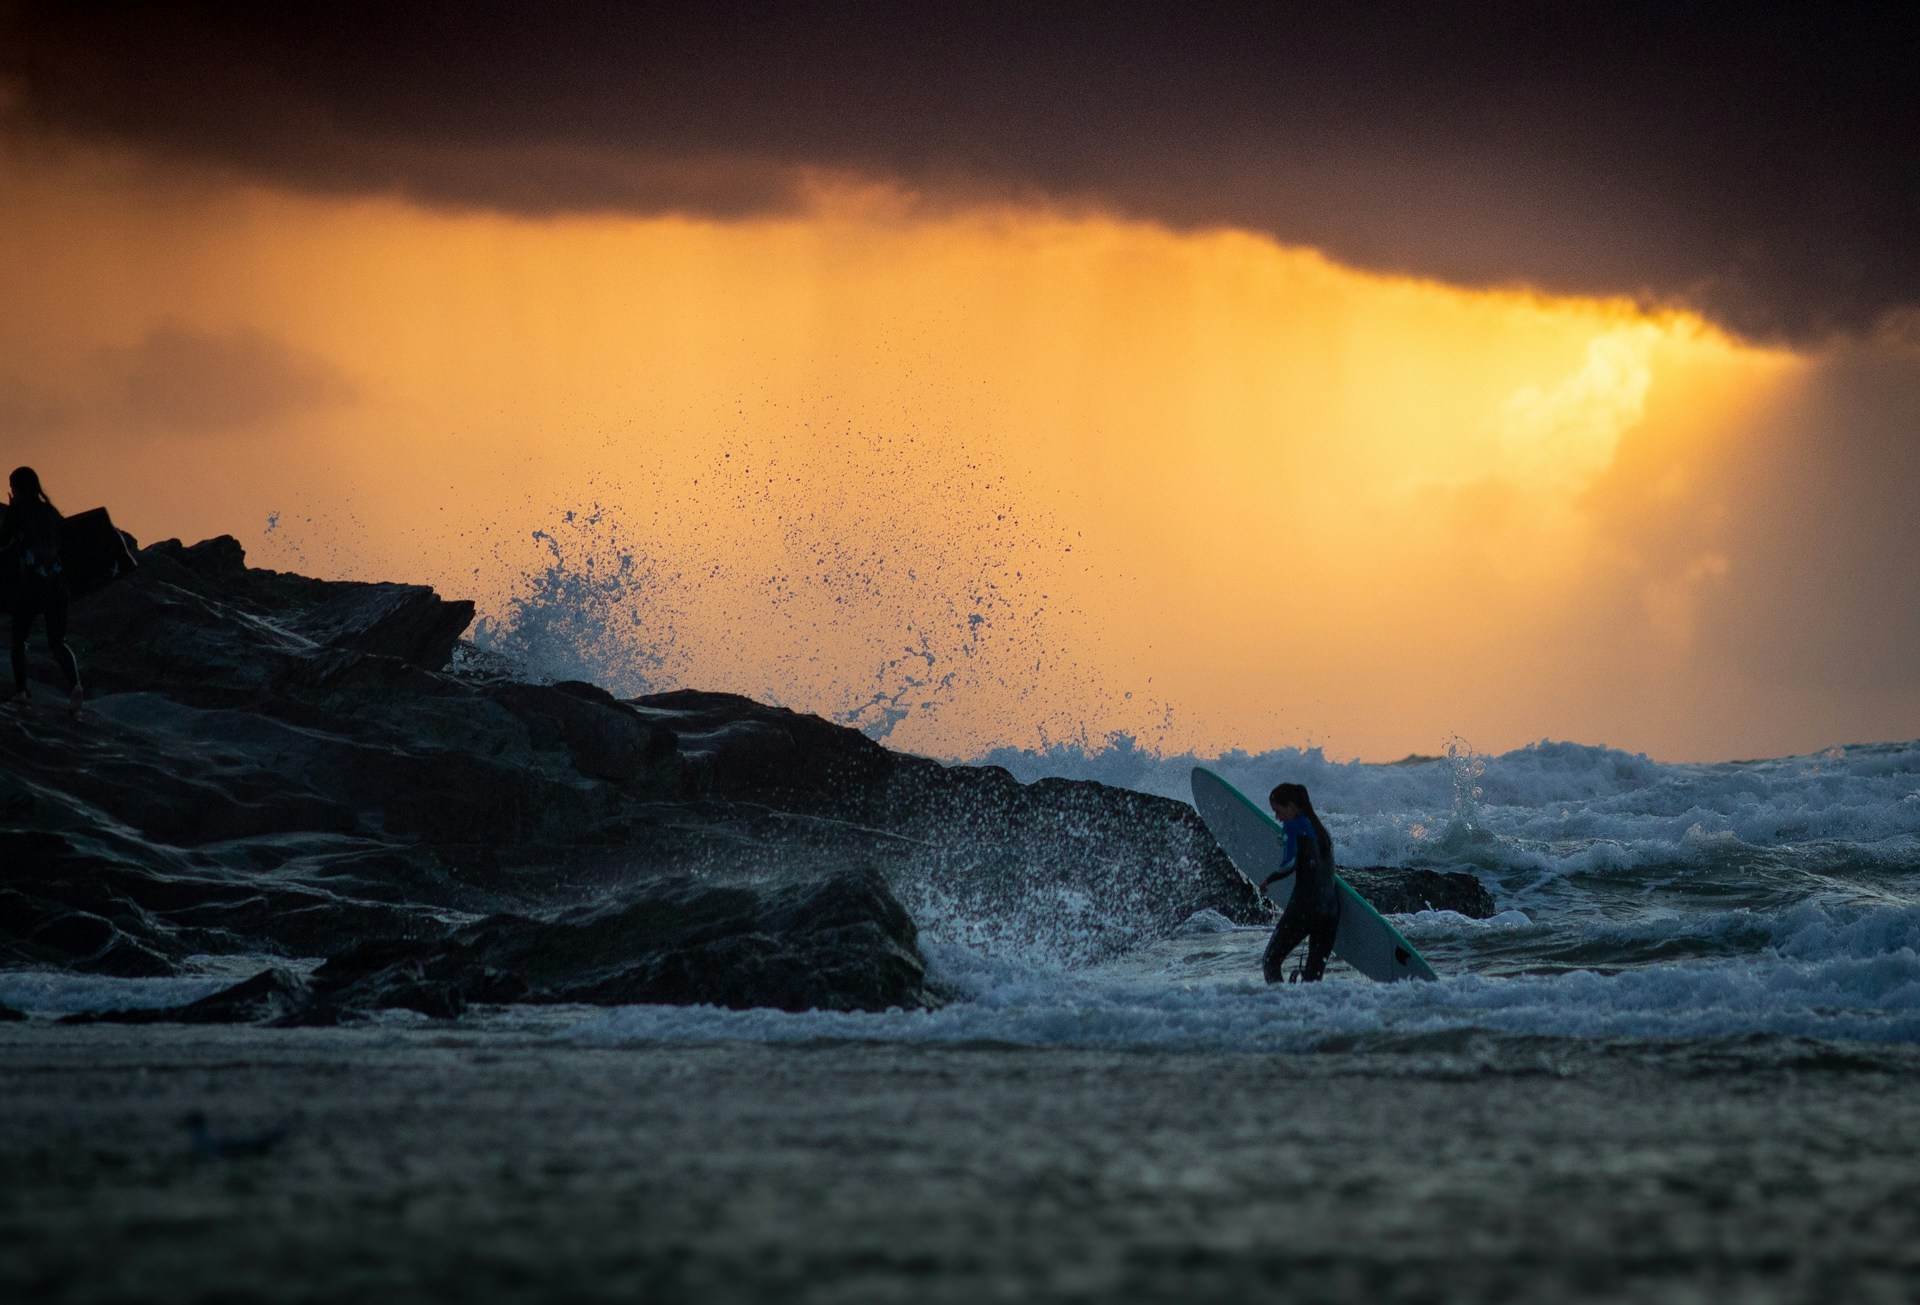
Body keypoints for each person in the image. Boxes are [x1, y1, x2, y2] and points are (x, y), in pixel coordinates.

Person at [1, 466, 84, 714]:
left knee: (18, 638)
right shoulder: (50, 512)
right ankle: (75, 686)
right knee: (57, 641)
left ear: (16, 487)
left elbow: (3, 540)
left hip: (32, 584)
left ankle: (22, 691)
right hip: (58, 584)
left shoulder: (18, 510)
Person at [1260, 781, 1340, 982]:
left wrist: (1268, 880)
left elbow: (1289, 864)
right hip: (1330, 911)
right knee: (1313, 977)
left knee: (1271, 960)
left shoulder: (1293, 825)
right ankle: (1309, 1012)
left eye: (1278, 811)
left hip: (1305, 907)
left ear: (1292, 806)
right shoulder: (1322, 830)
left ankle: (1281, 1007)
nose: (1278, 818)